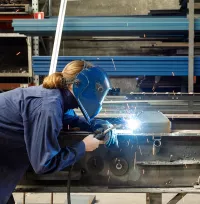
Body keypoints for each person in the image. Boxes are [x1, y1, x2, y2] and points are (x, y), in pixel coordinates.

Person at [0, 60, 118, 204]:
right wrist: (83, 146)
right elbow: (43, 164)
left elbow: (67, 117)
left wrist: (95, 123)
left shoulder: (53, 96)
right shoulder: (48, 106)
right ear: (80, 85)